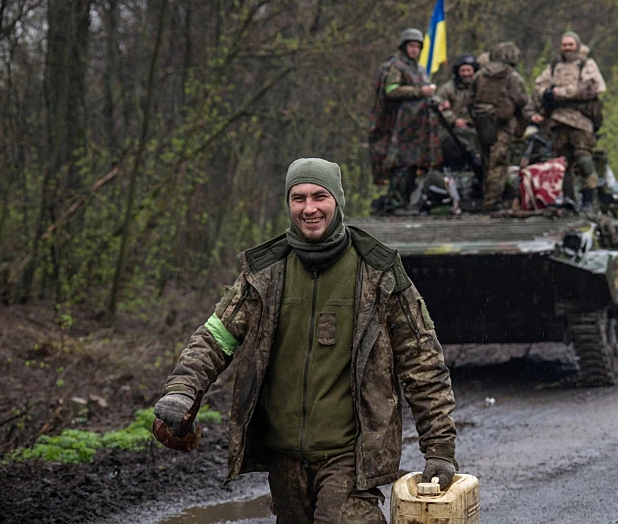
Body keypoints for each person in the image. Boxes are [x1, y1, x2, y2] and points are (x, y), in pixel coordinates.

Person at [154, 158, 458, 523]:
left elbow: (422, 362)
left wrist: (439, 448)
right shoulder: (265, 273)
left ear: (337, 201)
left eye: (320, 196)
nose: (309, 208)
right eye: (298, 198)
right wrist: (183, 388)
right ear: (288, 203)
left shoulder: (379, 273)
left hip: (352, 457)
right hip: (285, 460)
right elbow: (216, 336)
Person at [368, 28, 443, 213]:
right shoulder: (396, 66)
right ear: (404, 46)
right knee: (401, 165)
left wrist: (440, 102)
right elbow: (391, 90)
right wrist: (418, 92)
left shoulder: (418, 69)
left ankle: (406, 202)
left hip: (417, 126)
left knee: (413, 165)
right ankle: (395, 203)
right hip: (399, 125)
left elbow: (426, 89)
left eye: (418, 46)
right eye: (411, 46)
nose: (414, 50)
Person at [530, 31, 607, 211]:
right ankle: (567, 199)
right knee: (561, 163)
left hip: (581, 120)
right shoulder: (555, 65)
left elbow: (593, 87)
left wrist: (561, 93)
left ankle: (589, 197)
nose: (567, 48)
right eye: (564, 45)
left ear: (577, 45)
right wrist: (547, 94)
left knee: (584, 159)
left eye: (570, 44)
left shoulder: (586, 64)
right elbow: (539, 85)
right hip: (558, 120)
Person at [469, 41, 529, 211]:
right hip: (503, 125)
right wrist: (520, 128)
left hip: (482, 123)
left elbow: (470, 100)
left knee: (487, 161)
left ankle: (485, 197)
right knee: (499, 164)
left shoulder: (480, 75)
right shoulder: (512, 76)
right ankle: (491, 202)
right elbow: (522, 101)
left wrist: (476, 119)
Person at [435, 53, 481, 172]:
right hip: (453, 131)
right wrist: (453, 119)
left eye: (468, 70)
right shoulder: (449, 88)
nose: (466, 74)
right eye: (463, 70)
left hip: (477, 128)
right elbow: (436, 105)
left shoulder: (481, 86)